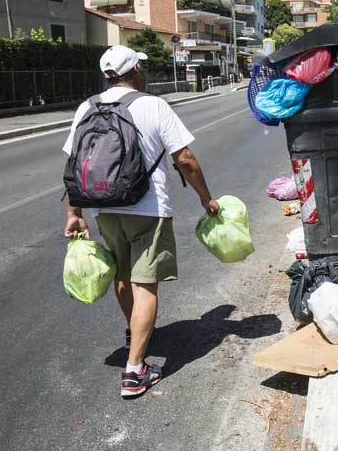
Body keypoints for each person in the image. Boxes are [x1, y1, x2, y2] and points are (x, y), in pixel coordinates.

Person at [62, 45, 220, 398]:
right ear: (135, 71)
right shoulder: (153, 105)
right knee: (145, 284)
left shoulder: (87, 107)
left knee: (122, 274)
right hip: (147, 207)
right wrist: (205, 197)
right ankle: (135, 371)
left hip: (105, 207)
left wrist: (74, 213)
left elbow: (75, 165)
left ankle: (135, 332)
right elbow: (186, 159)